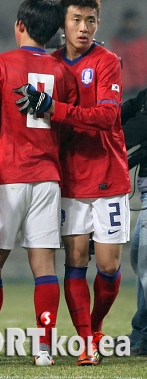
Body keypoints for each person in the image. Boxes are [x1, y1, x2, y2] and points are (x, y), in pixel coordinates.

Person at [20, 0, 131, 366]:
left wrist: (56, 109)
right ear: (62, 23)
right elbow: (38, 121)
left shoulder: (106, 62)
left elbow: (108, 116)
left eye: (91, 21)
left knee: (109, 266)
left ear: (98, 23)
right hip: (67, 180)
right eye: (76, 20)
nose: (84, 28)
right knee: (76, 260)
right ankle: (87, 340)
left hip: (107, 176)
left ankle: (96, 324)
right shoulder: (48, 65)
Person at [0, 0, 74, 366]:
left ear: (20, 26)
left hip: (8, 175)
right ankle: (44, 348)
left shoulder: (0, 62)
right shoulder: (62, 71)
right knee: (44, 264)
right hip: (47, 177)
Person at [120, 88, 147, 354]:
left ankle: (143, 336)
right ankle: (141, 334)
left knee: (145, 263)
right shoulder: (143, 97)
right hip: (145, 191)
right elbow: (117, 115)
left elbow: (135, 130)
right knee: (139, 256)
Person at [111, 9, 147, 97]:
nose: (131, 24)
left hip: (141, 81)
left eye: (134, 21)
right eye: (129, 21)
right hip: (126, 85)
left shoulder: (141, 39)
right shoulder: (119, 40)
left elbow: (143, 59)